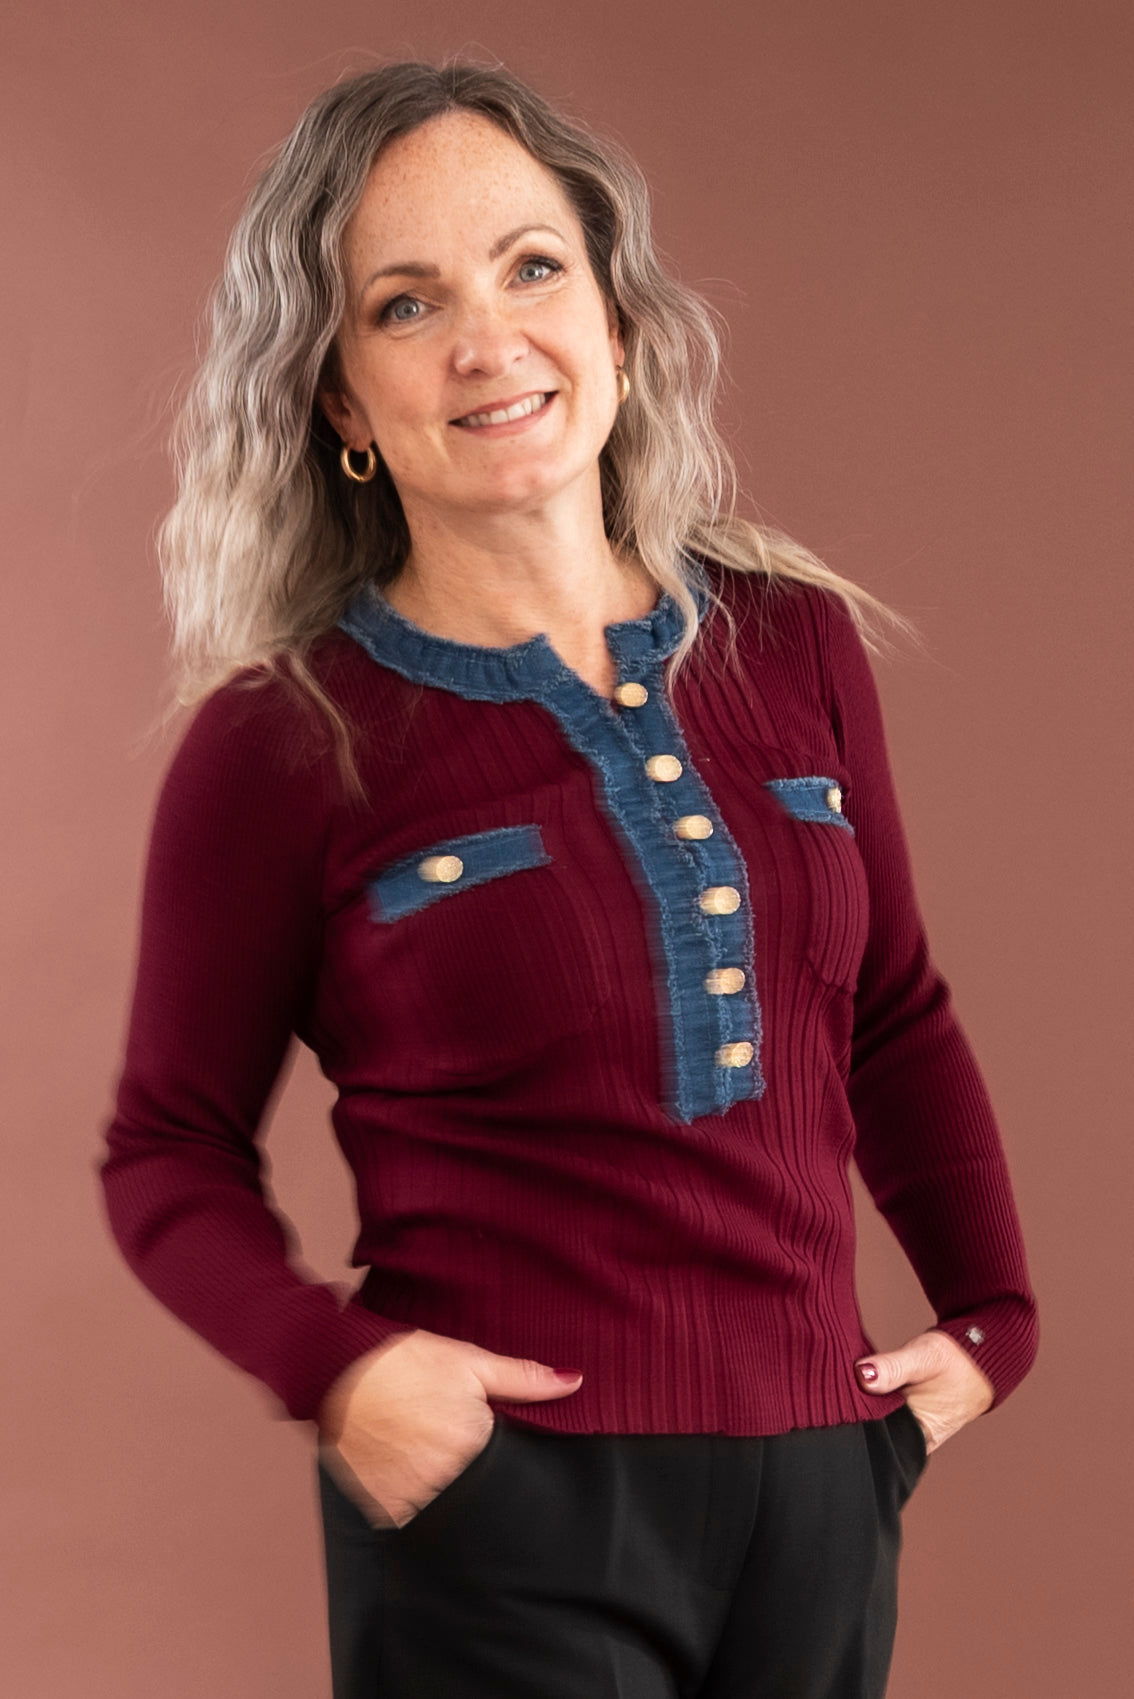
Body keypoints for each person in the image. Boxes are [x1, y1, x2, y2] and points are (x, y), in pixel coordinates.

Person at [100, 59, 1038, 1699]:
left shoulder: (792, 644)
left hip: (821, 1485)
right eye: (405, 305)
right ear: (342, 404)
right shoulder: (286, 740)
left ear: (615, 318)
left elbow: (889, 1014)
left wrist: (990, 1322)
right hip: (505, 1503)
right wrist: (342, 1373)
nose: (488, 342)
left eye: (530, 268)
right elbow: (164, 1148)